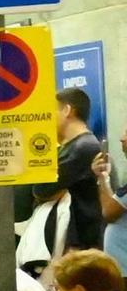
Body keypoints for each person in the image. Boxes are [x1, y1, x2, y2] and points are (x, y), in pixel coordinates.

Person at [54, 87, 105, 253]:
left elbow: (41, 189)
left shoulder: (82, 148)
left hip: (82, 242)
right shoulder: (75, 146)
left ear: (67, 110)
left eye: (52, 111)